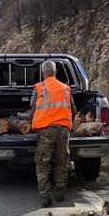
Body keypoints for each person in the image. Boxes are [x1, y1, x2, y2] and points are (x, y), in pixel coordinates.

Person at [30, 60, 74, 207]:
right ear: (55, 72)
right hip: (63, 129)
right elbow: (72, 108)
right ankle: (60, 194)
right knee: (62, 162)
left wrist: (31, 125)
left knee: (43, 163)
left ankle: (45, 196)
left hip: (45, 130)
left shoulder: (39, 88)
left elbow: (33, 109)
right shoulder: (65, 88)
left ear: (43, 73)